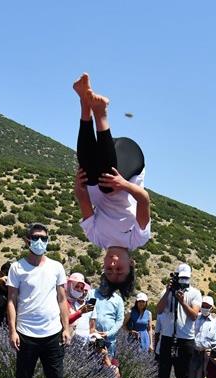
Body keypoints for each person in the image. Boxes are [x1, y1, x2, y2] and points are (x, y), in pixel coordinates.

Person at [71, 73, 150, 299]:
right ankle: (100, 112)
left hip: (101, 164)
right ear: (131, 264)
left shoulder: (96, 237)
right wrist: (123, 184)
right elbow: (143, 199)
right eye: (119, 269)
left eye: (109, 269)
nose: (113, 263)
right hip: (129, 160)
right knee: (107, 186)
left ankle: (85, 103)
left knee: (88, 174)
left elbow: (82, 198)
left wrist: (79, 184)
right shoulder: (137, 239)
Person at [7, 223, 71, 378]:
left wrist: (66, 328)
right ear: (28, 241)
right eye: (36, 238)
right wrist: (12, 331)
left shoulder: (56, 267)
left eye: (44, 238)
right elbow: (11, 300)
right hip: (26, 333)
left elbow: (62, 299)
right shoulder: (17, 268)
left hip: (52, 333)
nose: (40, 241)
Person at [155, 263, 202, 378]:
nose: (183, 281)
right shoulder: (167, 292)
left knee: (186, 375)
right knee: (163, 374)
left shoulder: (195, 293)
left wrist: (182, 302)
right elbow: (159, 310)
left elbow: (194, 315)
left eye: (186, 278)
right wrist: (169, 292)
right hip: (168, 337)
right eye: (181, 278)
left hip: (185, 338)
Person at [89, 277, 125, 356]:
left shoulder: (118, 300)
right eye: (103, 279)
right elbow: (86, 313)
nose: (104, 282)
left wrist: (109, 333)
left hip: (109, 340)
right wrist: (92, 330)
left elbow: (120, 320)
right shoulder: (91, 294)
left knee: (107, 365)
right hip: (93, 337)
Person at [66, 272, 94, 340]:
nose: (79, 290)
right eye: (76, 286)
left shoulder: (71, 302)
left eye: (81, 288)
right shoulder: (63, 301)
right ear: (70, 285)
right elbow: (65, 320)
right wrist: (80, 312)